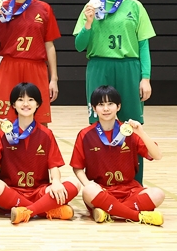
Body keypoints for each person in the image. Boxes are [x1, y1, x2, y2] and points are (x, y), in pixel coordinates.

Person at [73, 0, 155, 184]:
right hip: (99, 66)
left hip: (129, 67)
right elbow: (79, 45)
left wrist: (145, 77)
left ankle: (135, 181)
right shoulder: (90, 6)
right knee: (97, 121)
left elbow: (143, 45)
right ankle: (97, 180)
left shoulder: (135, 6)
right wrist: (88, 22)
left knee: (132, 123)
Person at [0, 82, 80, 224]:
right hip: (12, 191)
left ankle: (27, 211)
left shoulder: (46, 133)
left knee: (75, 184)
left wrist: (56, 181)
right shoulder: (4, 132)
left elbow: (53, 166)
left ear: (38, 104)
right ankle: (46, 210)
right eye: (20, 100)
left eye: (31, 100)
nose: (25, 104)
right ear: (13, 104)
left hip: (40, 192)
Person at [70, 85, 164, 225]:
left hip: (130, 190)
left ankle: (108, 212)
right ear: (94, 109)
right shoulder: (85, 134)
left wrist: (141, 133)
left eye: (110, 104)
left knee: (158, 194)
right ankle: (137, 216)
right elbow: (77, 167)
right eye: (101, 105)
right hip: (101, 191)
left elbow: (157, 155)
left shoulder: (129, 131)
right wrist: (88, 184)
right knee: (88, 190)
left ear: (118, 106)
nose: (106, 109)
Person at [0, 0, 60, 124]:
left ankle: (39, 149)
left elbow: (50, 46)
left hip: (36, 67)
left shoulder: (44, 8)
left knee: (40, 120)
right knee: (4, 120)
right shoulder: (2, 9)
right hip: (9, 67)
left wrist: (53, 78)